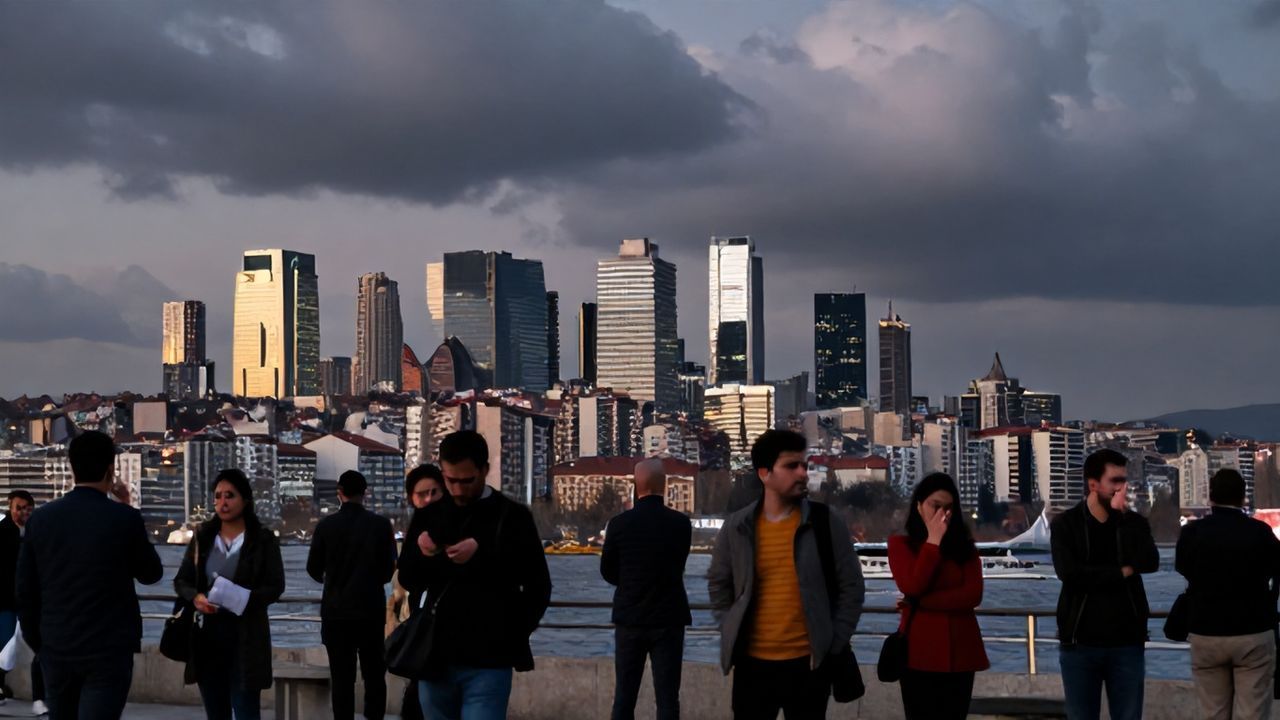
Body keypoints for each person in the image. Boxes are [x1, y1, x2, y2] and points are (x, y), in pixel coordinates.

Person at [707, 429, 865, 720]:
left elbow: (852, 587)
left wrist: (834, 641)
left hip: (808, 667)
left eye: (804, 465)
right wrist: (729, 626)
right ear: (765, 473)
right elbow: (718, 583)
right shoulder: (737, 527)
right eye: (791, 466)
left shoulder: (825, 523)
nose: (802, 473)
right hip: (752, 668)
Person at [398, 430, 552, 720]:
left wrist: (513, 634)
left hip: (489, 659)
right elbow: (409, 577)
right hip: (435, 658)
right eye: (450, 479)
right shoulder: (429, 515)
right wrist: (423, 555)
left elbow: (538, 585)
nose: (457, 489)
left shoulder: (512, 517)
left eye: (466, 480)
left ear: (484, 470)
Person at [16, 430, 164, 720]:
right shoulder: (124, 519)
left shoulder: (42, 520)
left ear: (72, 467)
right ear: (111, 469)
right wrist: (127, 506)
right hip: (108, 650)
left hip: (57, 647)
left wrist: (42, 643)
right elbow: (151, 573)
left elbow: (25, 590)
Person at [1051, 448, 1159, 720]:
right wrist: (1122, 571)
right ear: (1093, 484)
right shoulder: (1067, 525)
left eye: (1124, 481)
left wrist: (1123, 520)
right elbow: (1070, 574)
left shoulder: (1133, 522)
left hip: (1127, 643)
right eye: (1115, 481)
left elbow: (1150, 561)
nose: (1122, 487)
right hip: (1079, 644)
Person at [174, 469, 285, 720]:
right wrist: (196, 597)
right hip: (207, 641)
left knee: (246, 711)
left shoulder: (263, 540)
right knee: (216, 713)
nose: (223, 503)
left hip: (246, 641)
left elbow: (276, 586)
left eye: (230, 496)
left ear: (245, 500)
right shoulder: (203, 537)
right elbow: (182, 580)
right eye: (218, 497)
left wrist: (244, 598)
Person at [1176, 468, 1280, 719]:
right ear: (1243, 497)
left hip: (1206, 631)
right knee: (1252, 711)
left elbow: (1183, 567)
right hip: (1253, 631)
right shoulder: (1259, 532)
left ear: (1210, 497)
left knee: (1212, 711)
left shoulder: (1192, 532)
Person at [888, 472, 989, 719]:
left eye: (948, 507)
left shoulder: (965, 547)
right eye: (935, 506)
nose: (942, 514)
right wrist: (932, 542)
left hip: (961, 653)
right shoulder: (900, 545)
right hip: (918, 652)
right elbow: (912, 584)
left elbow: (972, 595)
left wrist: (919, 603)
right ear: (919, 506)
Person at [601, 458, 692, 720]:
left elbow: (607, 571)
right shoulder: (681, 524)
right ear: (664, 485)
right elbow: (679, 564)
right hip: (669, 618)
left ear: (634, 485)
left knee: (624, 699)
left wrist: (629, 582)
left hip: (630, 619)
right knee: (667, 700)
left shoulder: (618, 525)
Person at [306, 470, 397, 720]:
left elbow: (313, 569)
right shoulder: (380, 525)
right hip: (370, 612)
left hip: (336, 613)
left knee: (342, 679)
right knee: (374, 676)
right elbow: (389, 569)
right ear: (364, 493)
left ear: (340, 492)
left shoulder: (326, 526)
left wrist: (331, 579)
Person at [387, 464, 446, 720]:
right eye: (422, 495)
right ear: (412, 498)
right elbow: (408, 577)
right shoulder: (416, 531)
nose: (429, 499)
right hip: (426, 634)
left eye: (435, 492)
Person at [0, 490, 46, 714]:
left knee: (41, 647)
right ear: (10, 507)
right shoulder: (3, 532)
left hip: (29, 601)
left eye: (27, 508)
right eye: (19, 507)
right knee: (6, 645)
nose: (22, 512)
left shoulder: (35, 531)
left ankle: (40, 698)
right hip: (7, 600)